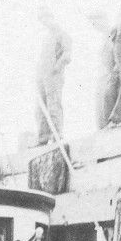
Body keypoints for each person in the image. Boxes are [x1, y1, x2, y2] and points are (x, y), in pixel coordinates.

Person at [34, 7, 72, 144]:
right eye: (42, 20)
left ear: (52, 18)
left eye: (46, 18)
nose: (45, 22)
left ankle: (57, 135)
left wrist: (56, 68)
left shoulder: (61, 34)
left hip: (54, 76)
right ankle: (43, 138)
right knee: (40, 108)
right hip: (42, 77)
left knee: (53, 105)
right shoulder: (46, 37)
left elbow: (67, 55)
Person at [87, 10, 119, 129]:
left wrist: (114, 72)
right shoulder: (102, 38)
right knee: (99, 112)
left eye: (96, 22)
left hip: (110, 75)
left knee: (107, 104)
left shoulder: (112, 34)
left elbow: (117, 56)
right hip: (102, 76)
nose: (95, 26)